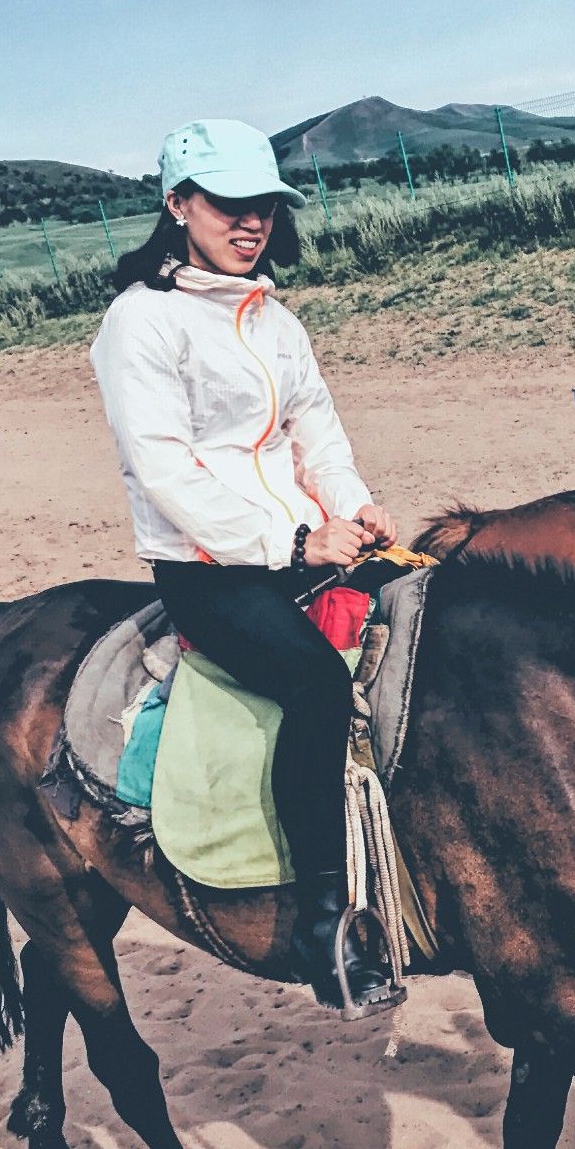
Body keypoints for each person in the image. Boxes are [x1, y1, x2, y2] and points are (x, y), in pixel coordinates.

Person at [90, 118, 398, 1014]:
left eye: (262, 203)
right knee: (312, 686)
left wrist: (352, 506)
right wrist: (292, 545)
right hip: (209, 568)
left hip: (307, 540)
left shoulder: (274, 319)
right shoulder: (139, 322)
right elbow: (165, 467)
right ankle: (323, 921)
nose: (250, 220)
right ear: (178, 204)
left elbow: (317, 431)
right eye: (228, 203)